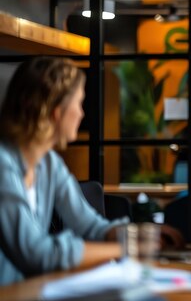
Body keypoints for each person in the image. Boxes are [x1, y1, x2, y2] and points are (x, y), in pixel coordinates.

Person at [0, 57, 127, 285]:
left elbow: (90, 225)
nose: (82, 113)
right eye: (78, 104)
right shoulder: (3, 164)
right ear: (55, 111)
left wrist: (142, 234)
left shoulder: (49, 163)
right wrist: (123, 249)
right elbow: (36, 254)